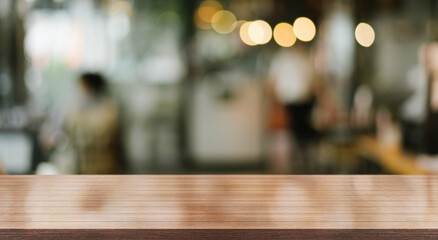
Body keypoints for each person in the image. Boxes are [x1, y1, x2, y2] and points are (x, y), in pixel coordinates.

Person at [64, 73, 122, 174]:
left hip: (101, 168)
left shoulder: (108, 112)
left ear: (89, 87)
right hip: (87, 167)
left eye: (81, 86)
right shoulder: (110, 111)